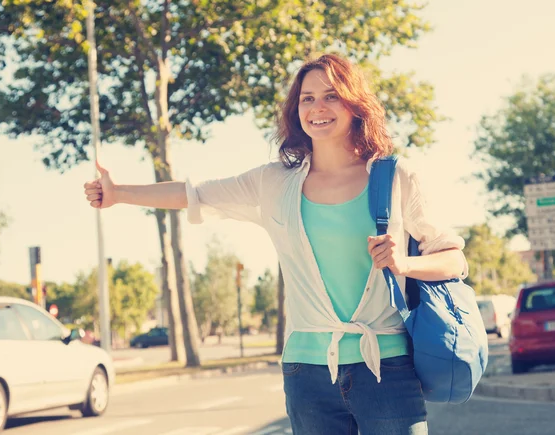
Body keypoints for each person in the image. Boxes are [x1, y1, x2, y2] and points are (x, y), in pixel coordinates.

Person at [84, 53, 467, 435]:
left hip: (388, 366)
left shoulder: (395, 176)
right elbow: (195, 194)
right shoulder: (275, 184)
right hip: (307, 373)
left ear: (354, 104)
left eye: (331, 95)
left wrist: (404, 264)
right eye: (307, 98)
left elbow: (453, 258)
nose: (317, 107)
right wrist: (118, 193)